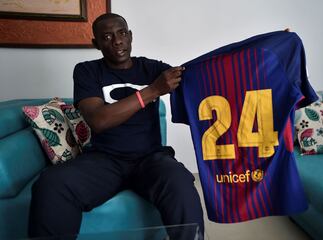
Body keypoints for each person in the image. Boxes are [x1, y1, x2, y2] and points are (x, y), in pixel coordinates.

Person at [28, 13, 204, 239]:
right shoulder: (87, 71)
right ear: (96, 44)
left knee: (181, 182)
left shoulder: (151, 69)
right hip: (105, 160)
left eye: (122, 33)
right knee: (52, 184)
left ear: (130, 36)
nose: (117, 41)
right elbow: (99, 120)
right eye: (107, 36)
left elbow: (197, 80)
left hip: (150, 158)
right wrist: (153, 91)